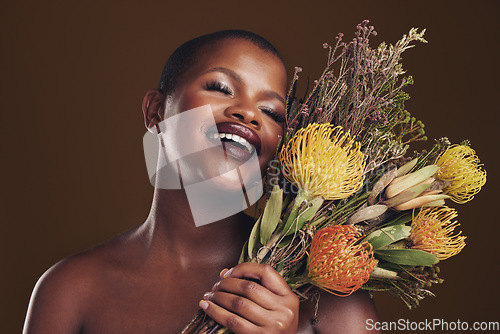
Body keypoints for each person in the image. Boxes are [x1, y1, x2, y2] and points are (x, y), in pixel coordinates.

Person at [23, 30, 380, 333]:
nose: (248, 113)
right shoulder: (71, 289)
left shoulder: (325, 295)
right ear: (156, 112)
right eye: (221, 88)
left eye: (271, 112)